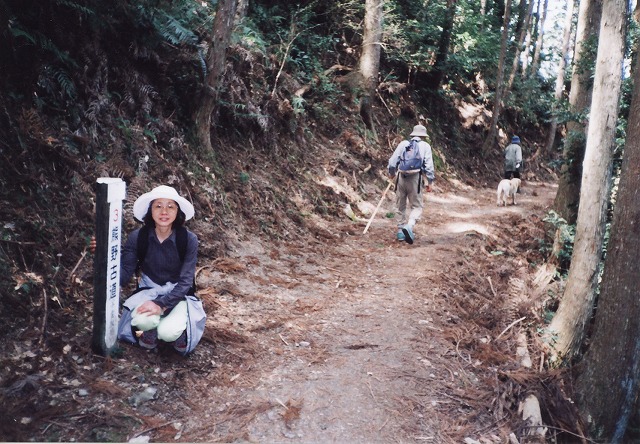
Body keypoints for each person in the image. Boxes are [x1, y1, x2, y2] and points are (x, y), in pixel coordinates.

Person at [387, 124, 435, 245]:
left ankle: (400, 231)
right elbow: (429, 166)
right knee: (417, 206)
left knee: (400, 205)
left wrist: (392, 173)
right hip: (415, 178)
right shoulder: (425, 146)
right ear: (423, 136)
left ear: (413, 134)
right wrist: (430, 181)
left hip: (401, 177)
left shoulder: (403, 144)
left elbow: (392, 162)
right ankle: (409, 225)